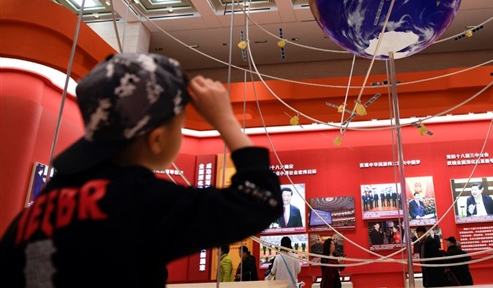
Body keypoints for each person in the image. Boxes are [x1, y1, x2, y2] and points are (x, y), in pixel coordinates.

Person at [0, 53, 283, 286]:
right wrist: (225, 120)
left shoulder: (36, 213)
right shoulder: (136, 199)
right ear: (156, 139)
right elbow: (261, 201)